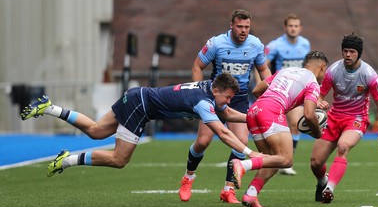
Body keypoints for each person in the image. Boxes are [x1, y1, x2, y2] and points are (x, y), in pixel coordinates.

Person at [20, 73, 264, 177]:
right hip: (141, 107)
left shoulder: (211, 89)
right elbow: (221, 131)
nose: (229, 101)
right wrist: (250, 154)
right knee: (119, 159)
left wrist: (254, 117)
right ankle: (66, 160)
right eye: (228, 96)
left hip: (136, 95)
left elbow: (229, 113)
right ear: (217, 90)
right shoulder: (203, 102)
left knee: (96, 131)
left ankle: (50, 107)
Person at [178, 9, 271, 203]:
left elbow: (263, 70)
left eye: (247, 27)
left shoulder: (255, 45)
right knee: (203, 141)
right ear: (231, 25)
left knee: (241, 141)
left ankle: (228, 189)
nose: (243, 30)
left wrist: (271, 93)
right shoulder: (216, 43)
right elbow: (197, 67)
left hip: (239, 99)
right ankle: (188, 177)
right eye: (239, 26)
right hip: (214, 97)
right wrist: (196, 95)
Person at [230, 50, 329, 207]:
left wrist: (266, 106)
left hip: (254, 110)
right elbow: (309, 115)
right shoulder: (312, 82)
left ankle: (251, 195)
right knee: (286, 160)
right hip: (271, 111)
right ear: (323, 67)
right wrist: (318, 133)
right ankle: (242, 165)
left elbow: (256, 91)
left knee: (271, 160)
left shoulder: (284, 71)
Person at [311, 33, 378, 203]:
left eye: (352, 52)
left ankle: (329, 189)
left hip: (356, 119)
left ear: (358, 54)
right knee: (315, 163)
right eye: (345, 51)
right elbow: (319, 95)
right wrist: (319, 101)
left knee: (343, 146)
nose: (348, 54)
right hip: (334, 118)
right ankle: (322, 181)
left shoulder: (369, 75)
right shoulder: (333, 71)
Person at [265, 13, 311, 175]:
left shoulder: (305, 44)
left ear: (300, 28)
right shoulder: (275, 45)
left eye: (296, 26)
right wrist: (263, 85)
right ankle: (271, 159)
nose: (293, 28)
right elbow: (263, 64)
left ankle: (287, 162)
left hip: (296, 91)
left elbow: (308, 67)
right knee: (273, 128)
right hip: (278, 92)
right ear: (285, 28)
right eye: (290, 25)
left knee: (296, 124)